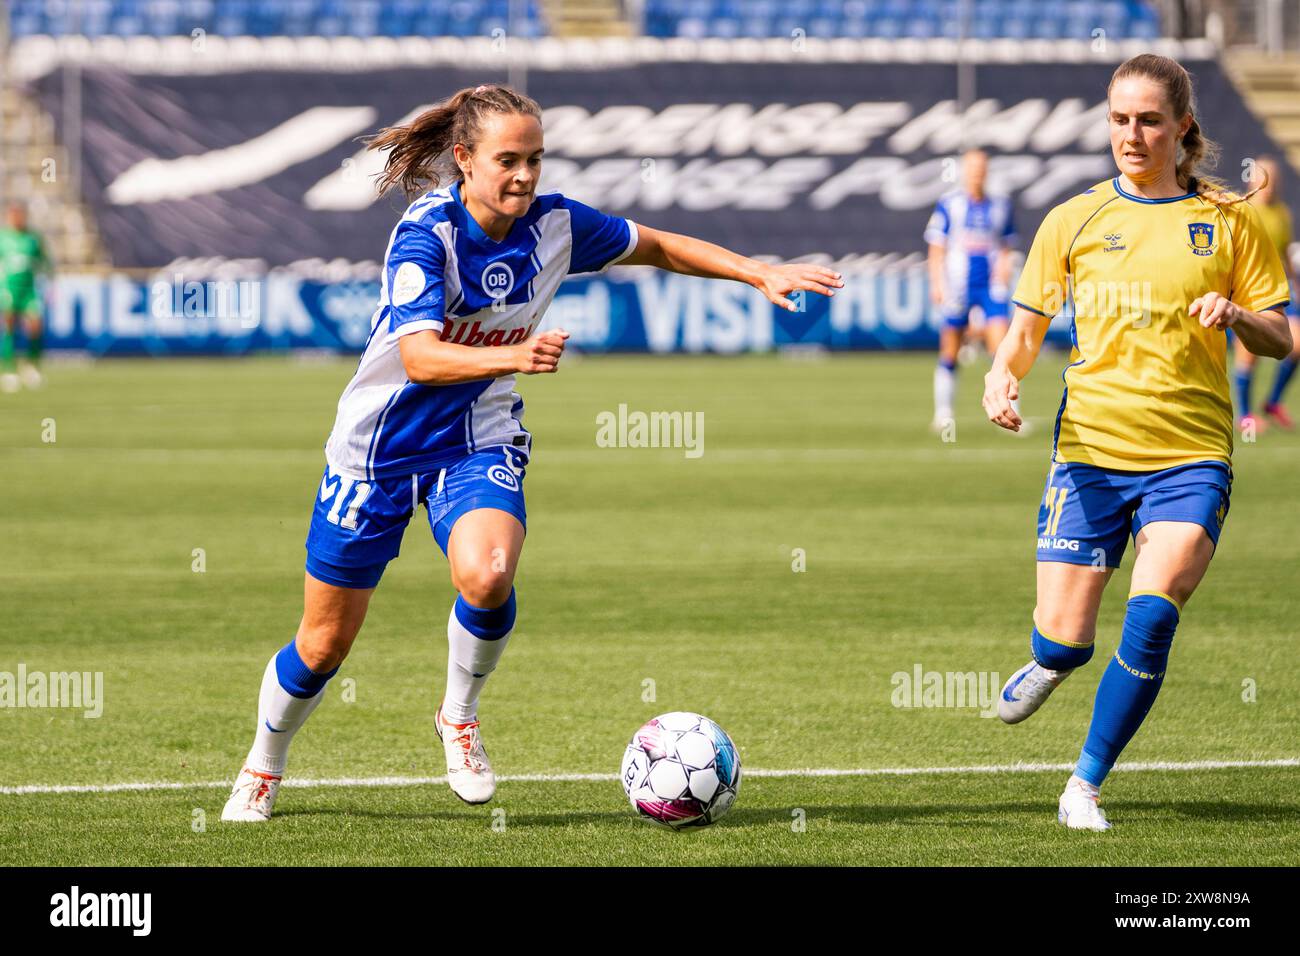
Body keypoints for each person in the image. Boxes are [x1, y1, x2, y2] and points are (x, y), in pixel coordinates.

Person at [220, 83, 843, 821]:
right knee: (323, 645)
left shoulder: (557, 225)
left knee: (487, 575)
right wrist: (511, 350)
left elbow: (660, 245)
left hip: (478, 436)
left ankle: (458, 717)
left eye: (535, 159)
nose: (524, 176)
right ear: (464, 159)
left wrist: (757, 271)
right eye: (508, 160)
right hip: (377, 450)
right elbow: (419, 359)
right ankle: (264, 764)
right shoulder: (427, 234)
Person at [983, 54, 1291, 831]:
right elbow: (1025, 329)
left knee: (1154, 615)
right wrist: (1001, 376)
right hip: (1089, 453)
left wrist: (1239, 315)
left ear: (1181, 126)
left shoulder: (1230, 219)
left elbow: (1282, 337)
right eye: (1119, 119)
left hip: (1191, 457)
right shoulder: (1074, 219)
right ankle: (1053, 661)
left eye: (1149, 120)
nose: (1132, 133)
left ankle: (1083, 784)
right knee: (1066, 641)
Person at [925, 148, 1018, 432]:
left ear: (987, 171)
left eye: (981, 168)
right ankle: (943, 414)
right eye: (972, 168)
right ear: (965, 171)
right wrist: (937, 283)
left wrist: (1004, 272)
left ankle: (1012, 413)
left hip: (990, 288)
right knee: (950, 351)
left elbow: (1005, 246)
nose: (977, 173)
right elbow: (936, 247)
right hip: (958, 287)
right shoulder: (950, 204)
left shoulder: (1000, 205)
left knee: (1002, 351)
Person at [1231, 155, 1299, 431]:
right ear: (1252, 180)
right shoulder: (1242, 210)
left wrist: (1295, 284)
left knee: (1296, 346)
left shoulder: (1283, 213)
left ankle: (1272, 403)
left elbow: (1283, 254)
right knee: (1248, 353)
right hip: (1247, 290)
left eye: (1273, 180)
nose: (1268, 185)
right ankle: (1246, 417)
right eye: (1262, 179)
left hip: (1278, 290)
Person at [0, 203, 49, 393]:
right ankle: (9, 370)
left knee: (36, 326)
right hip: (9, 288)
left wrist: (48, 281)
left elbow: (43, 261)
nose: (17, 219)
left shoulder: (33, 238)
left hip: (29, 289)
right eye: (14, 215)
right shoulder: (3, 237)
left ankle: (32, 366)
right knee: (10, 325)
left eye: (20, 215)